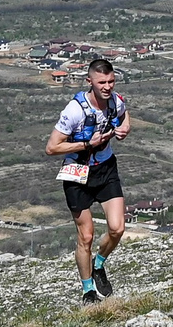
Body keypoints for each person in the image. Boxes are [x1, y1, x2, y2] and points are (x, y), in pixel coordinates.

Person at [46, 55, 133, 303]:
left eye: (111, 81)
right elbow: (52, 147)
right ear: (89, 82)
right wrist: (86, 144)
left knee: (117, 228)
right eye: (101, 82)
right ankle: (88, 291)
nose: (107, 87)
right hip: (77, 173)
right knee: (86, 236)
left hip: (105, 168)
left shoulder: (115, 101)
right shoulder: (74, 111)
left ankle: (99, 264)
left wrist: (125, 128)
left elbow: (125, 112)